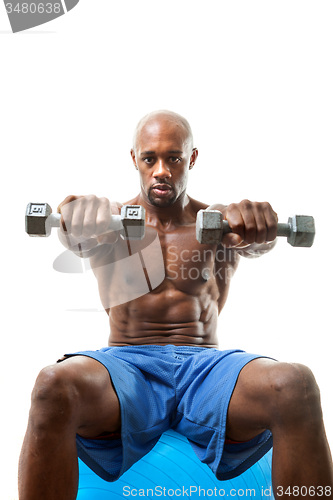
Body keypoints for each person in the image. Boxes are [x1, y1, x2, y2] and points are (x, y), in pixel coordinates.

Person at [19, 110, 333, 500]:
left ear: (192, 158)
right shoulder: (108, 224)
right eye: (150, 158)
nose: (162, 170)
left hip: (206, 367)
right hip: (127, 367)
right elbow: (75, 232)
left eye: (174, 157)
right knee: (53, 385)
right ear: (134, 159)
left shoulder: (220, 224)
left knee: (295, 384)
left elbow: (255, 244)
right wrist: (74, 210)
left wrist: (260, 226)